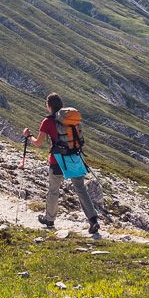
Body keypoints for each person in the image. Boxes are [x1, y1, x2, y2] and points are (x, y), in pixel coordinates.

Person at [23, 92, 100, 236]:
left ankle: (49, 219)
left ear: (49, 106)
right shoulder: (69, 120)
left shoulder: (47, 121)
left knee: (53, 190)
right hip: (75, 158)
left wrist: (29, 136)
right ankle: (93, 220)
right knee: (81, 189)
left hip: (57, 160)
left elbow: (38, 143)